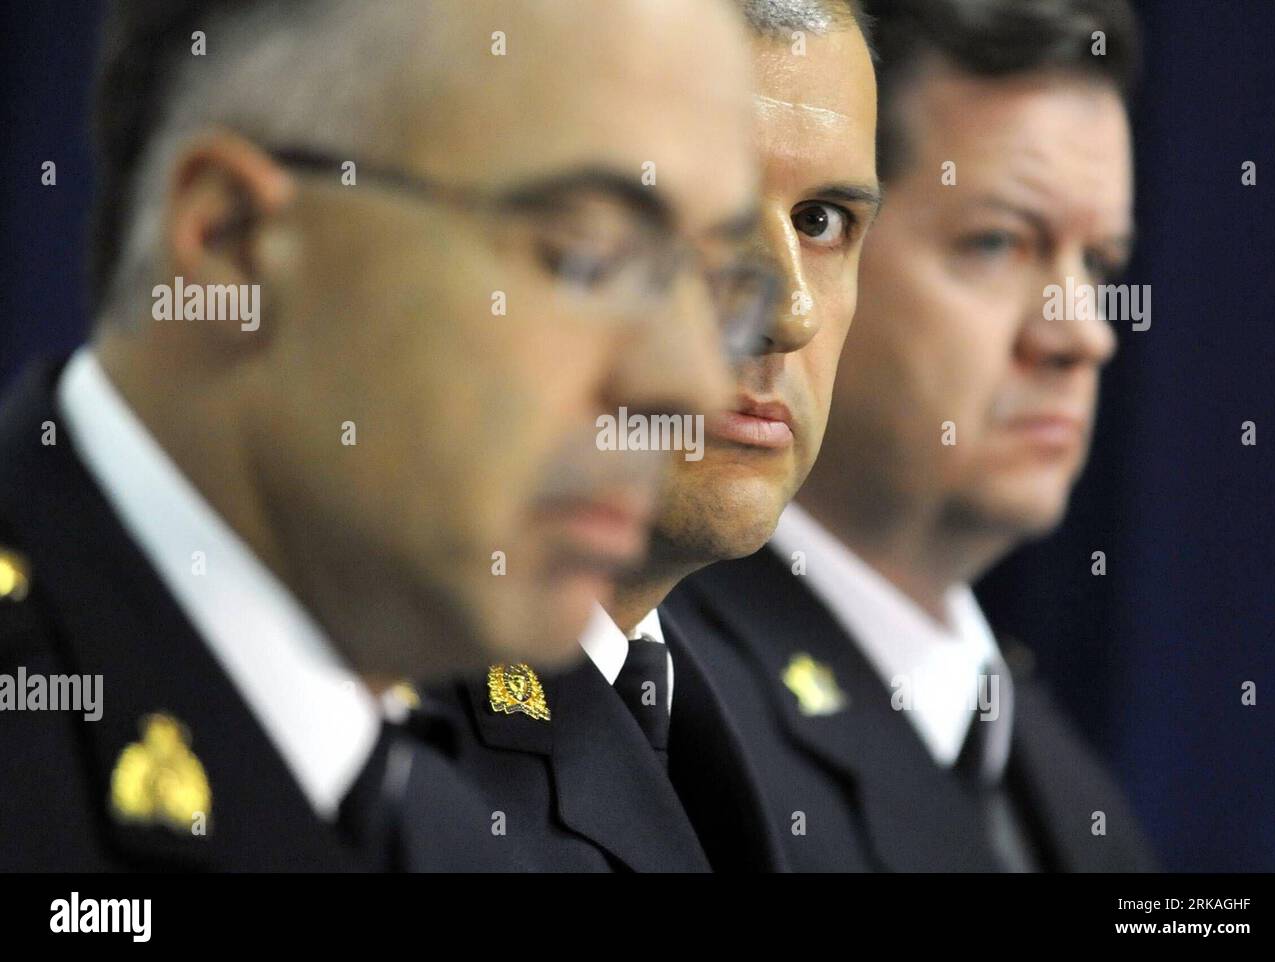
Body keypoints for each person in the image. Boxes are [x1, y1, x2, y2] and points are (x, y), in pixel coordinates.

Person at [0, 0, 762, 870]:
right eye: (584, 257)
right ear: (232, 246)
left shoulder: (441, 828)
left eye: (716, 288)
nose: (694, 389)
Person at [670, 0, 1158, 870]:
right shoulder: (669, 712)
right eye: (1000, 242)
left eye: (1099, 264)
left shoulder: (1076, 793)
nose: (1082, 332)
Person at [431, 0, 880, 871]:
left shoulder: (741, 739)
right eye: (710, 210)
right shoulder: (360, 733)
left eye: (821, 221)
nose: (789, 313)